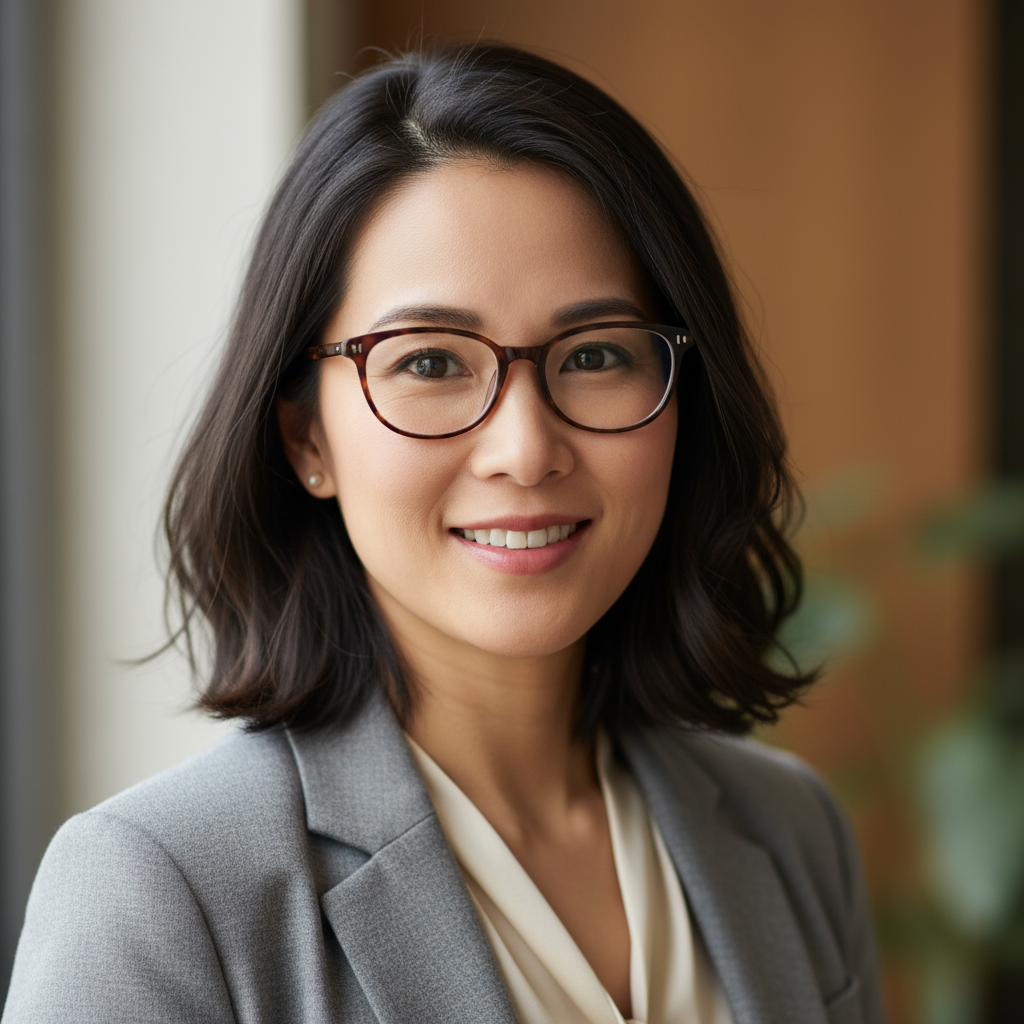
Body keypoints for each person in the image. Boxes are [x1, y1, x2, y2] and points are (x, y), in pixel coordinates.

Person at [3, 44, 883, 1024]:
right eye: (429, 363)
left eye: (594, 353)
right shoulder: (159, 889)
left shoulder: (792, 830)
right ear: (306, 436)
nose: (524, 447)